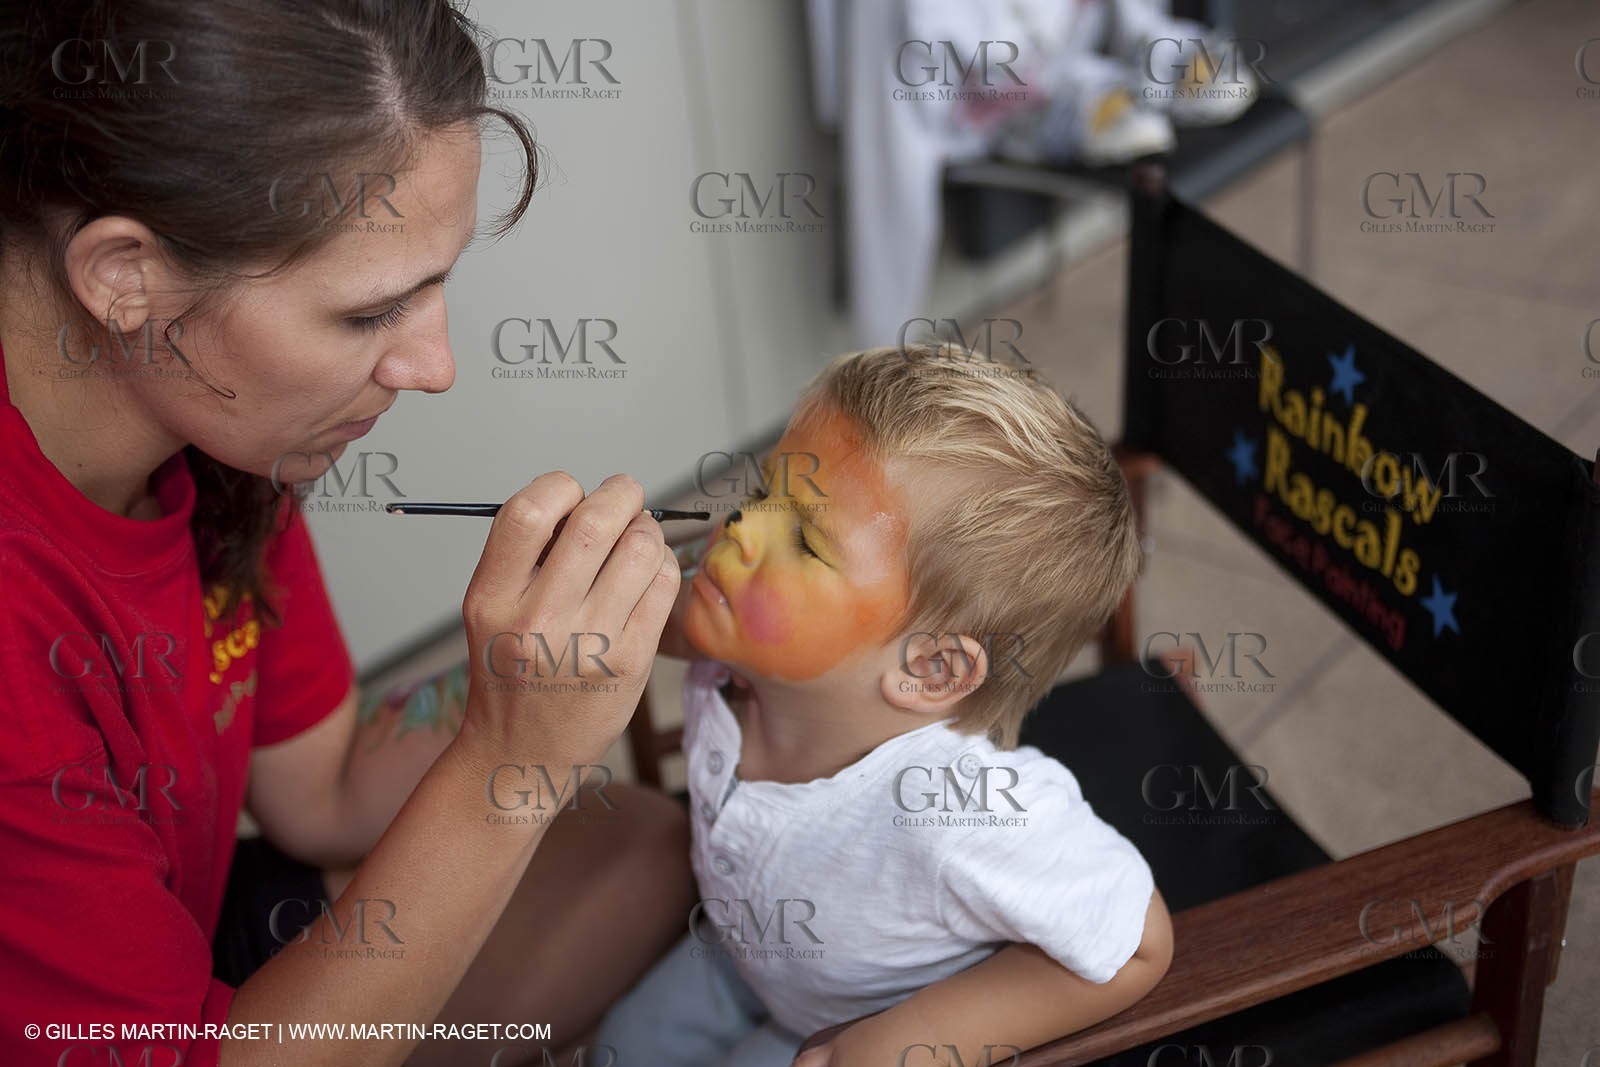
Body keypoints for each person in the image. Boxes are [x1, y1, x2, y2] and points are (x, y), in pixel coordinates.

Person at [0, 3, 697, 1065]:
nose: (432, 364)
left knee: (638, 849)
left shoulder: (219, 429)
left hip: (179, 942)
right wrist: (514, 758)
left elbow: (317, 790)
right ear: (123, 276)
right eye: (371, 314)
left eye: (437, 290)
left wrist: (551, 669)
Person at [594, 344, 1175, 1065]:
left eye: (803, 540)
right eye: (763, 490)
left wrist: (908, 1040)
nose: (739, 529)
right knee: (623, 1044)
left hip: (847, 1020)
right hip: (742, 955)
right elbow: (652, 614)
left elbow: (1137, 942)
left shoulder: (960, 809)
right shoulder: (731, 641)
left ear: (929, 666)